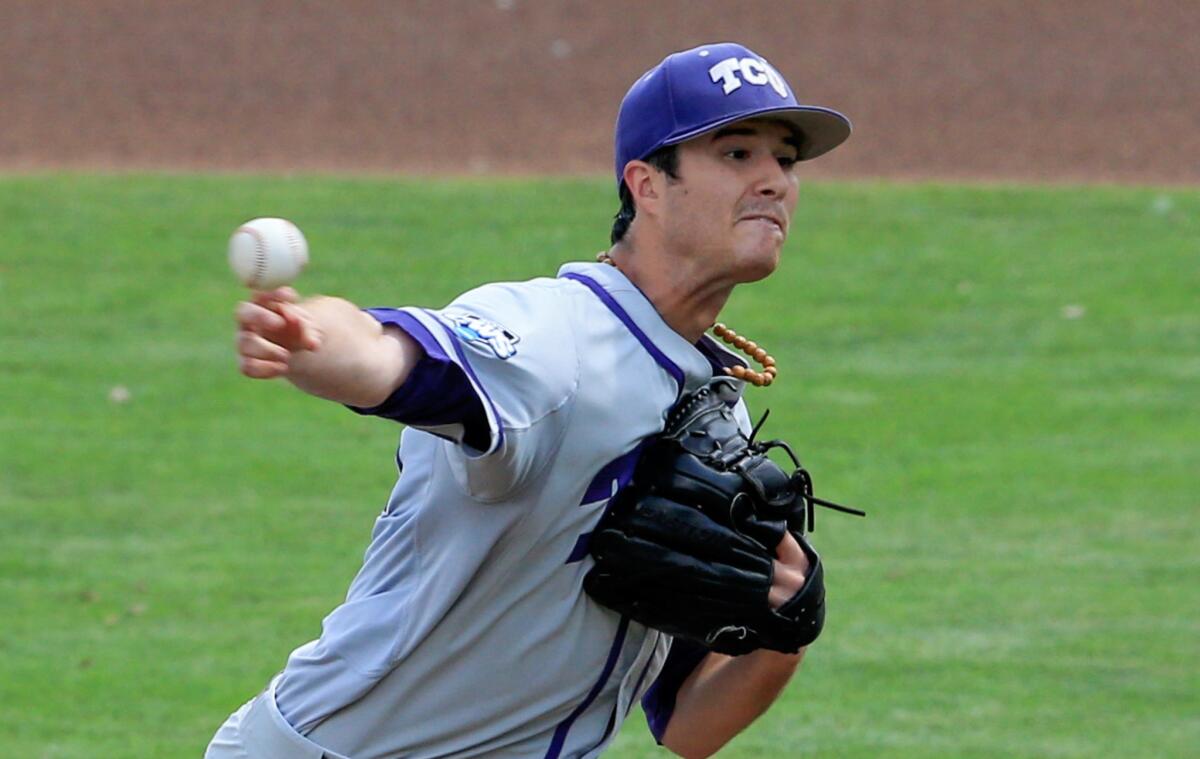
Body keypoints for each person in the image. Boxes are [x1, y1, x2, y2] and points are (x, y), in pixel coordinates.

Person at [206, 41, 851, 759]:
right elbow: (392, 357)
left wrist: (784, 631)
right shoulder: (554, 341)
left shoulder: (714, 416)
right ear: (647, 184)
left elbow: (689, 726)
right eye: (737, 154)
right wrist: (306, 340)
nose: (773, 181)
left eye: (785, 160)